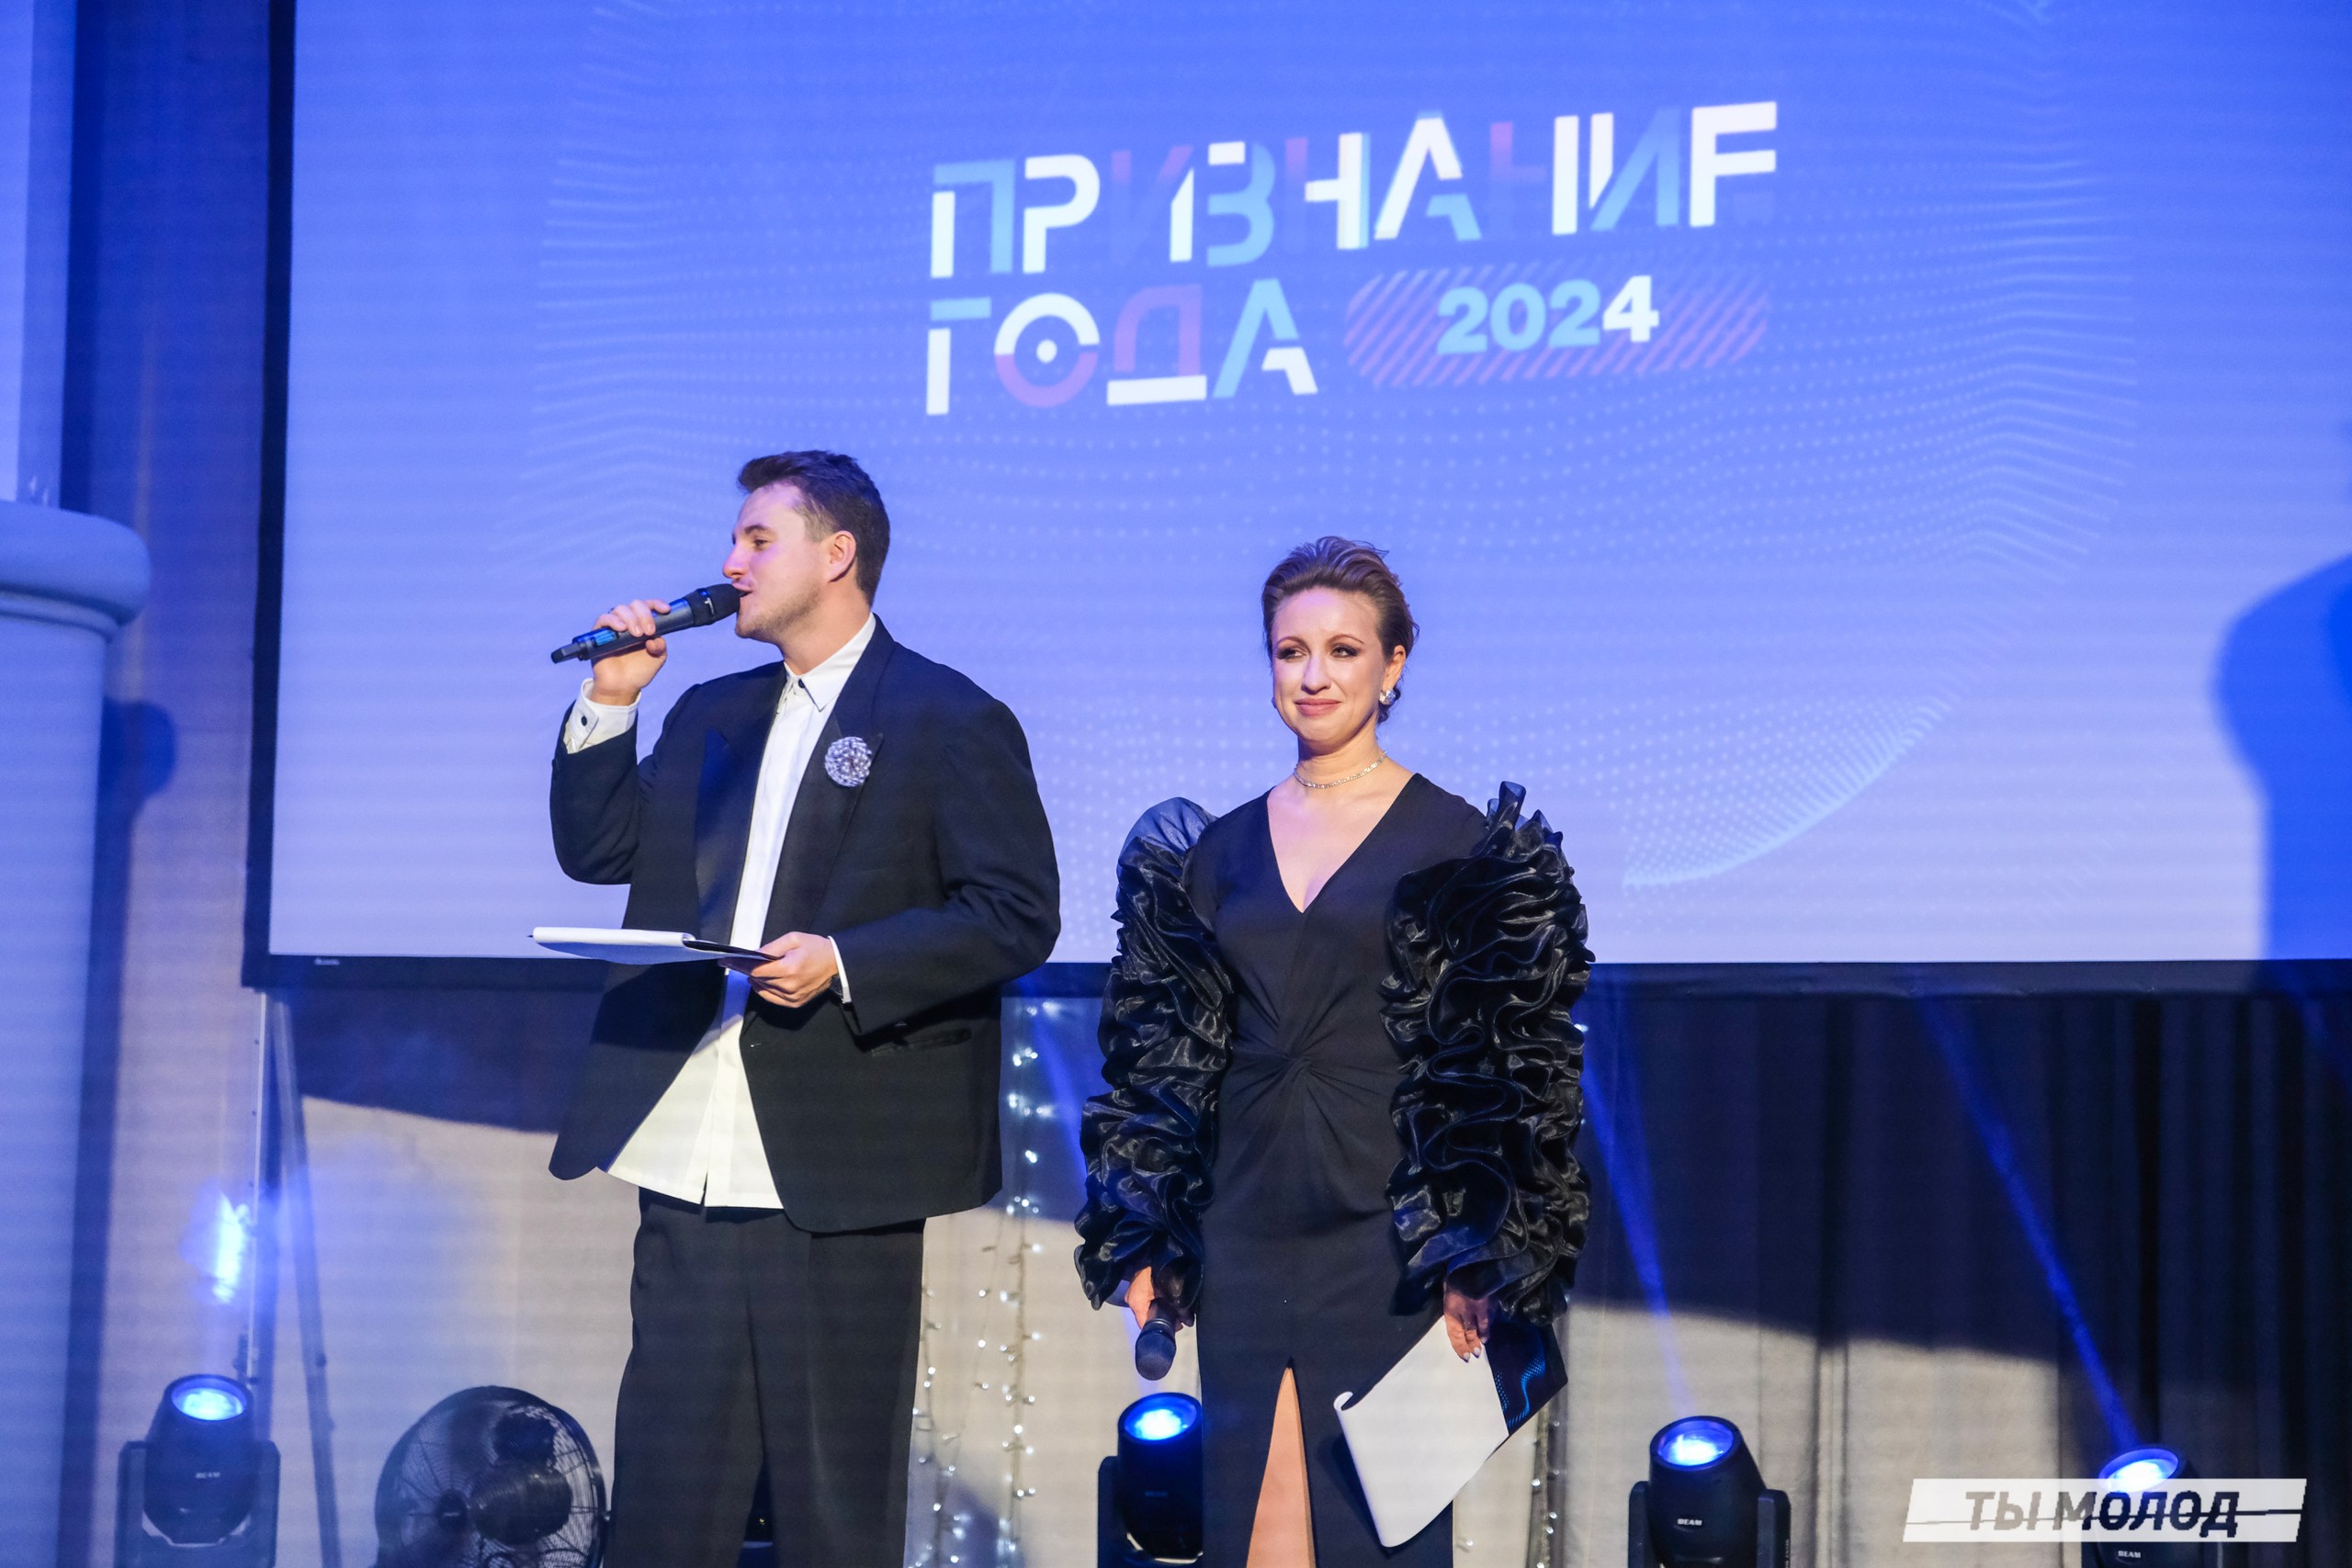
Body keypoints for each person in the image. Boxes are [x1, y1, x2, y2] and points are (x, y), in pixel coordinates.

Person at [548, 450, 1059, 1568]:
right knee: (666, 1506)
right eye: (733, 541)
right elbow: (600, 850)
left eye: (756, 540)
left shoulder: (946, 716)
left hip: (839, 1163)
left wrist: (847, 960)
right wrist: (610, 699)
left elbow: (1016, 914)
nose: (729, 564)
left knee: (834, 1510)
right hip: (691, 1147)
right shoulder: (711, 712)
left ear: (838, 555)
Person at [1076, 537, 1591, 1567]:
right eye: (1290, 651)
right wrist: (1151, 1235)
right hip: (1244, 1222)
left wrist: (1478, 1249)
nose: (1313, 675)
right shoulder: (1215, 851)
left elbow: (1508, 1063)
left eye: (1343, 651)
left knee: (1376, 1529)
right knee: (1255, 1527)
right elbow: (1167, 1061)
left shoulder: (1457, 842)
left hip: (1387, 1237)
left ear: (1393, 665)